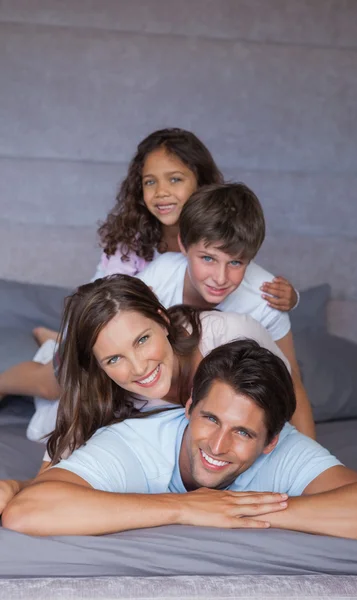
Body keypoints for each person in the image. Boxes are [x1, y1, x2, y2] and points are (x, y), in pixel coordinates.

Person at [0, 128, 297, 403]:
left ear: (203, 186)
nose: (162, 191)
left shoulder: (218, 240)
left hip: (162, 345)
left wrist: (292, 296)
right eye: (150, 182)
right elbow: (104, 308)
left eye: (175, 179)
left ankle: (51, 338)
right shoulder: (133, 246)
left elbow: (243, 273)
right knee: (57, 384)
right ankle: (14, 374)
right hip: (108, 324)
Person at [3, 338, 357, 541]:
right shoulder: (134, 442)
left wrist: (234, 509)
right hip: (55, 407)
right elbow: (28, 512)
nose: (217, 445)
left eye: (243, 432)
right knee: (51, 382)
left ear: (270, 442)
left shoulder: (287, 448)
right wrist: (184, 508)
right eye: (210, 418)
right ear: (188, 406)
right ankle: (47, 345)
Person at [0, 275, 290, 511]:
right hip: (61, 385)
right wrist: (16, 487)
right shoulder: (99, 394)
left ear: (163, 321)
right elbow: (50, 484)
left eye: (142, 340)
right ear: (100, 367)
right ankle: (36, 356)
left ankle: (54, 341)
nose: (139, 368)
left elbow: (288, 396)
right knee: (51, 384)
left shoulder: (232, 335)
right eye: (114, 358)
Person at [136, 182, 315, 438]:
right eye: (208, 258)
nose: (220, 278)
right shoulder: (160, 276)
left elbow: (292, 379)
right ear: (184, 246)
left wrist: (310, 460)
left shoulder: (265, 298)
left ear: (250, 258)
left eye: (235, 262)